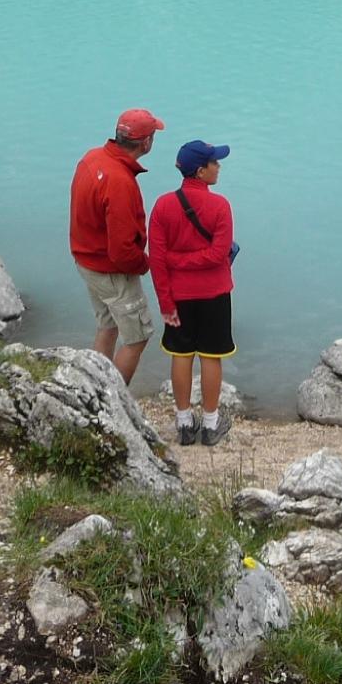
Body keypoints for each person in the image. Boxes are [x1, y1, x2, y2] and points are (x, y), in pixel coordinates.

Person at [148, 139, 237, 446]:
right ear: (200, 171)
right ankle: (211, 425)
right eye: (214, 162)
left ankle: (184, 423)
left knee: (181, 354)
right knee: (211, 356)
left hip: (178, 296)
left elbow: (157, 260)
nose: (219, 166)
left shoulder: (162, 205)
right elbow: (216, 255)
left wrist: (165, 301)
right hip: (214, 294)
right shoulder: (220, 206)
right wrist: (190, 261)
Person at [69, 108, 165, 383]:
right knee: (137, 337)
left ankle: (93, 385)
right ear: (145, 143)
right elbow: (122, 251)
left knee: (107, 325)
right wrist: (145, 263)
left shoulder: (92, 158)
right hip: (111, 271)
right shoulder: (120, 181)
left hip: (87, 261)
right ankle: (112, 400)